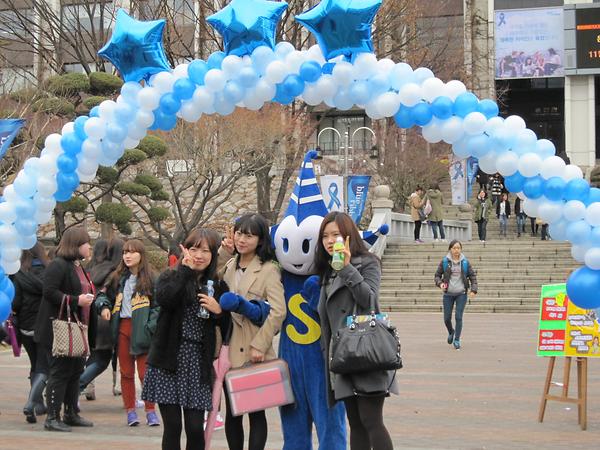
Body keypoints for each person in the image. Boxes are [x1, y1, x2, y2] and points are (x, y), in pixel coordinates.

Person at [314, 211, 397, 450]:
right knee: (356, 423)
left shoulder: (368, 262)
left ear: (349, 235)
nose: (330, 241)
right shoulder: (328, 270)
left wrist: (347, 267)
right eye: (325, 236)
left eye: (336, 235)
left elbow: (369, 300)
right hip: (341, 356)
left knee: (372, 421)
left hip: (366, 351)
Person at [142, 228, 230, 450]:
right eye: (194, 249)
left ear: (213, 255)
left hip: (198, 363)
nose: (199, 255)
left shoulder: (218, 286)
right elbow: (166, 299)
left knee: (194, 427)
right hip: (167, 361)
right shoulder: (171, 276)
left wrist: (219, 310)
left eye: (205, 250)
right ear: (185, 250)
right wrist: (185, 272)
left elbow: (228, 327)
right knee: (172, 426)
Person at [219, 213, 286, 450]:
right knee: (232, 413)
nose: (241, 239)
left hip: (255, 350)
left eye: (249, 235)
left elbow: (278, 311)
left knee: (256, 414)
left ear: (260, 240)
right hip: (229, 352)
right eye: (239, 233)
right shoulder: (228, 265)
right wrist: (224, 252)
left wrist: (260, 343)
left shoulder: (268, 269)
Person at [35, 226, 96, 431]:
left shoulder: (77, 266)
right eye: (87, 243)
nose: (90, 246)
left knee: (76, 370)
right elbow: (49, 292)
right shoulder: (58, 265)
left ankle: (71, 412)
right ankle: (52, 417)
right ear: (76, 244)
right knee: (60, 372)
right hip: (58, 328)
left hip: (77, 328)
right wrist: (75, 300)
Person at [95, 239, 160, 427]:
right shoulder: (117, 277)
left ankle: (150, 411)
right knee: (126, 373)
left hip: (143, 331)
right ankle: (130, 411)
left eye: (132, 252)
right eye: (125, 252)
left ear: (141, 255)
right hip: (122, 328)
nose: (127, 256)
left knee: (145, 374)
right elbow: (101, 296)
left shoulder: (152, 278)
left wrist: (150, 327)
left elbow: (159, 306)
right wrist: (104, 307)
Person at [80, 238, 124, 400]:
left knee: (95, 355)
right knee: (107, 357)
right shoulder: (115, 273)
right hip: (108, 319)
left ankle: (88, 387)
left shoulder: (89, 269)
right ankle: (117, 386)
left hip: (90, 318)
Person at [11, 242, 51, 423]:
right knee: (44, 367)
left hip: (25, 326)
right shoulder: (50, 272)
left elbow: (16, 303)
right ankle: (30, 403)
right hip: (44, 325)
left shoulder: (19, 274)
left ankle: (39, 404)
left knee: (35, 364)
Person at [434, 240, 478, 350]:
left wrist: (473, 290)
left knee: (458, 317)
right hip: (448, 294)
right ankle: (451, 331)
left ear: (461, 249)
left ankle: (457, 339)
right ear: (450, 249)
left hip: (461, 294)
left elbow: (472, 277)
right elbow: (437, 276)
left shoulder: (465, 263)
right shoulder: (445, 262)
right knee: (446, 319)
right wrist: (440, 284)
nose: (456, 250)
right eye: (454, 248)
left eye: (458, 248)